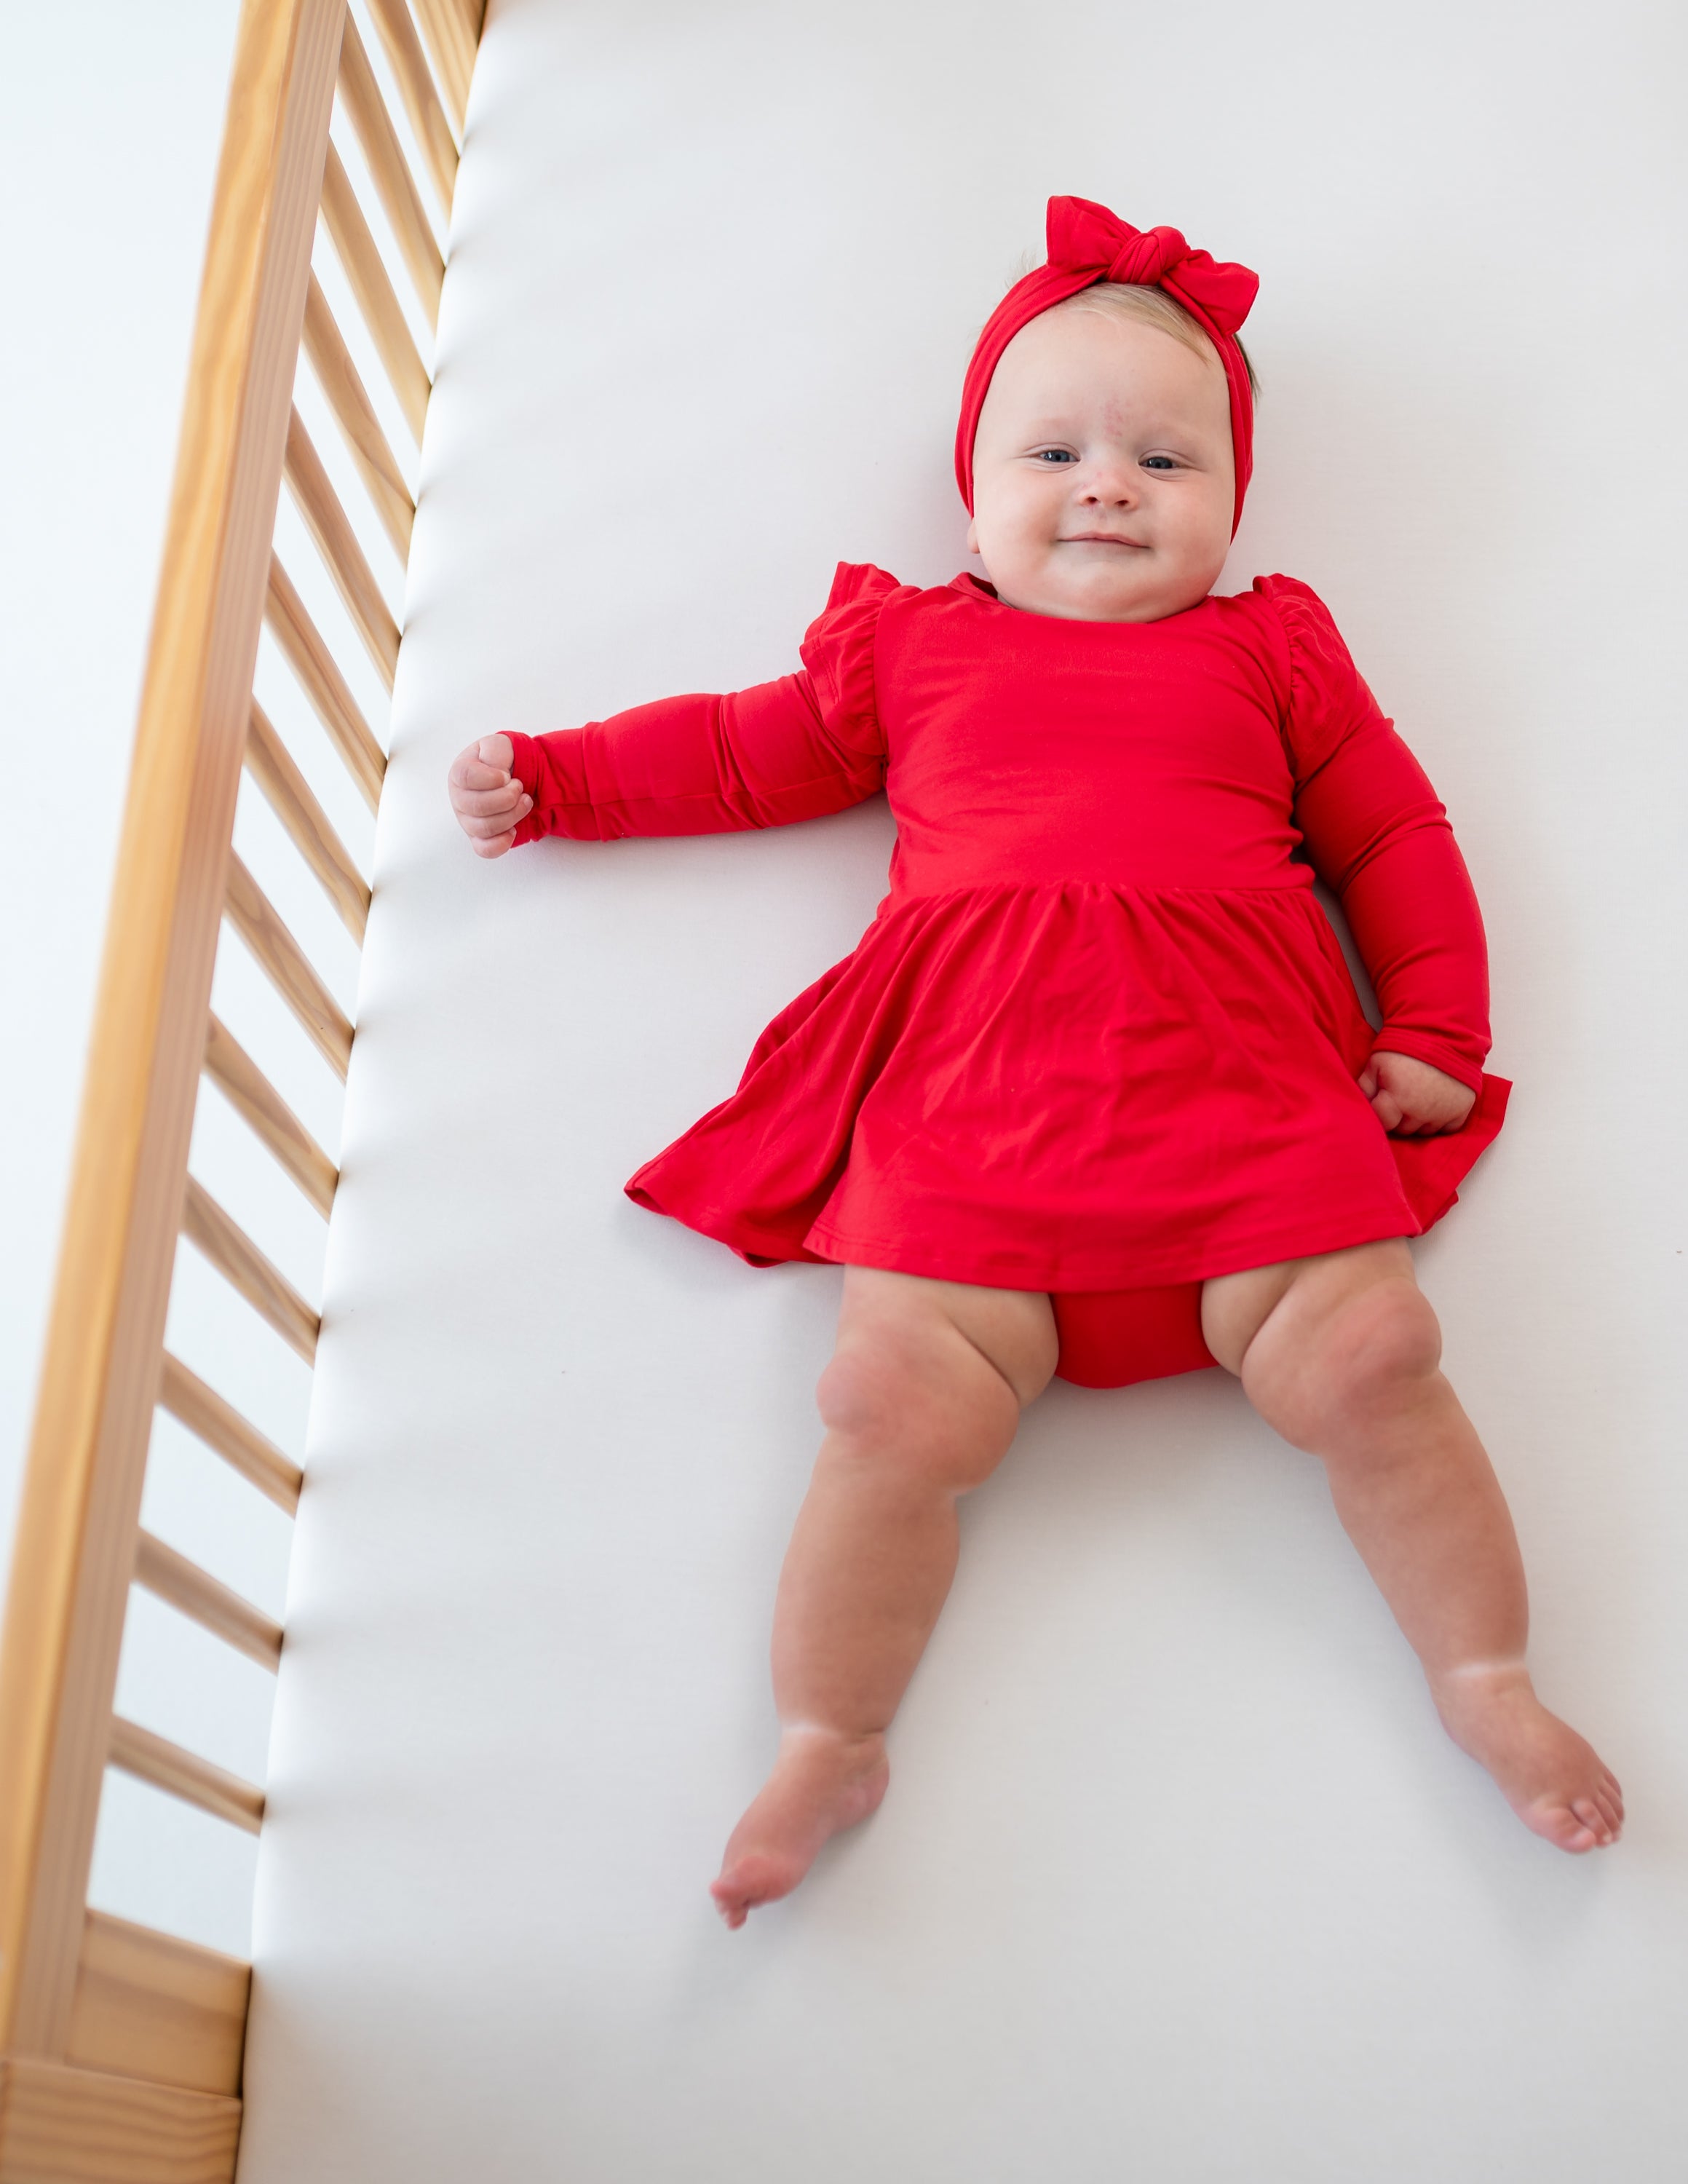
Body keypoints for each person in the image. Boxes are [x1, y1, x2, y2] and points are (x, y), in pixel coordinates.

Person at [448, 197, 1622, 1929]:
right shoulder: (912, 649)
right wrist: (563, 777)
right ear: (971, 489)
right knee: (877, 1405)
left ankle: (1488, 1676)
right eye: (1053, 447)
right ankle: (829, 1730)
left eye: (1168, 456)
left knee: (1376, 1349)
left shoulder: (1273, 649)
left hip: (1240, 1113)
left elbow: (1396, 836)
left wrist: (1437, 1027)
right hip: (976, 1124)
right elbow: (741, 755)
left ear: (1234, 502)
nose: (1108, 484)